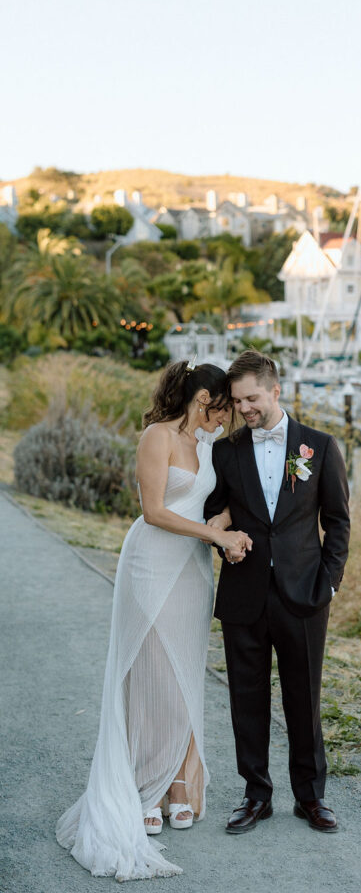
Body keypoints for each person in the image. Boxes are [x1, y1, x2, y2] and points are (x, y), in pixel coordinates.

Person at [56, 360, 251, 881]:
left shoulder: (210, 445)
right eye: (224, 407)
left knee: (184, 673)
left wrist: (224, 523)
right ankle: (146, 785)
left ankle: (180, 784)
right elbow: (155, 512)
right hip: (150, 564)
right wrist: (216, 537)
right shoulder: (157, 436)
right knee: (150, 675)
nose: (228, 417)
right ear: (204, 398)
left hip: (192, 570)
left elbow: (220, 501)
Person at [205, 350, 350, 835]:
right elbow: (215, 511)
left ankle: (310, 796)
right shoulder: (225, 452)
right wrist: (224, 539)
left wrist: (329, 582)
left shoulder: (320, 446)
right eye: (237, 401)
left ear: (275, 391)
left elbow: (338, 521)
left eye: (251, 398)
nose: (244, 408)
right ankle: (256, 794)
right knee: (246, 698)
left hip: (304, 594)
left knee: (303, 699)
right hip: (244, 593)